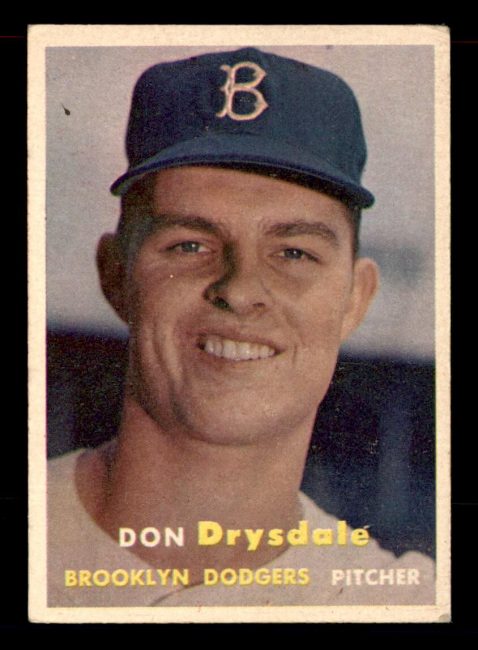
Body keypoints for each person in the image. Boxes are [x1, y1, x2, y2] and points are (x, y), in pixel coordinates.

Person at [47, 47, 435, 607]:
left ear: (355, 298)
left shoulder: (399, 605)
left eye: (294, 253)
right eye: (190, 244)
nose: (241, 288)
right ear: (116, 275)